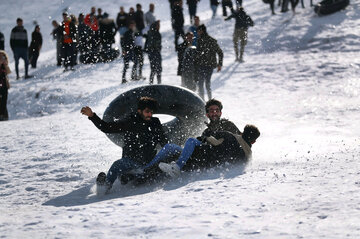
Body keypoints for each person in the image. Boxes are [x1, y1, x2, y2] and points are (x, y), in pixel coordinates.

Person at [80, 96, 167, 192]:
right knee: (118, 165)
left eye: (151, 112)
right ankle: (106, 185)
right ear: (139, 111)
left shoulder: (155, 122)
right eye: (147, 111)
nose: (150, 114)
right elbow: (107, 128)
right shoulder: (131, 121)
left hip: (148, 164)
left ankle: (132, 177)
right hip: (131, 162)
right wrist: (92, 116)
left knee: (155, 165)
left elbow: (164, 142)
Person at [143, 99, 250, 176]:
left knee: (191, 140)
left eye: (217, 110)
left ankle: (177, 167)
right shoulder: (206, 131)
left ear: (220, 113)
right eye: (211, 111)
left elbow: (241, 139)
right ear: (207, 114)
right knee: (169, 147)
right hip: (201, 154)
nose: (214, 113)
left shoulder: (227, 125)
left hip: (214, 157)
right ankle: (146, 170)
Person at [159, 125, 260, 176]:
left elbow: (214, 142)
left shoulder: (230, 136)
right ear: (254, 141)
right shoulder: (248, 155)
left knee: (188, 142)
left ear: (242, 133)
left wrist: (204, 137)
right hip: (208, 166)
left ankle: (176, 167)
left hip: (201, 156)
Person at [195, 24, 223, 100]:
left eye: (198, 31)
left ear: (201, 31)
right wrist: (219, 64)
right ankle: (208, 100)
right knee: (206, 84)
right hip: (207, 65)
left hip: (205, 65)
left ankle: (203, 101)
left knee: (202, 84)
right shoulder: (209, 40)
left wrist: (220, 64)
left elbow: (220, 52)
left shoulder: (203, 40)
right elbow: (220, 52)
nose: (197, 33)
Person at [144, 20, 162, 84]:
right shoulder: (154, 33)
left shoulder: (152, 33)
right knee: (155, 69)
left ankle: (155, 83)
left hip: (154, 52)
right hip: (154, 52)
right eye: (158, 25)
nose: (159, 27)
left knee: (156, 69)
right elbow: (154, 43)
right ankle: (154, 83)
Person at [0, 50, 11, 121]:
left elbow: (8, 72)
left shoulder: (4, 67)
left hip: (4, 86)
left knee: (4, 101)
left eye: (4, 57)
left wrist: (5, 64)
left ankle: (4, 115)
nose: (2, 59)